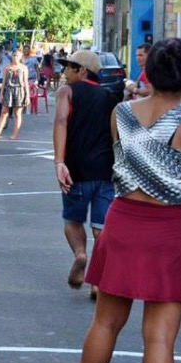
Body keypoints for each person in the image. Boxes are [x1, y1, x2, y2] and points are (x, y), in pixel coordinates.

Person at [76, 38, 181, 363]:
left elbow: (126, 159)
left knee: (104, 324)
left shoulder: (122, 111)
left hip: (123, 220)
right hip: (168, 231)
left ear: (151, 72)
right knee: (159, 339)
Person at [52, 50, 117, 300]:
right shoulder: (112, 97)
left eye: (68, 67)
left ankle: (80, 254)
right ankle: (97, 282)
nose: (64, 72)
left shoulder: (67, 92)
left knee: (72, 221)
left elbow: (60, 122)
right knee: (101, 228)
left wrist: (59, 161)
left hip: (75, 170)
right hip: (105, 170)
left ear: (81, 70)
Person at [0, 49, 29, 140]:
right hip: (9, 90)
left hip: (19, 90)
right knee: (4, 112)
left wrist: (27, 96)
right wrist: (1, 94)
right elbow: (3, 82)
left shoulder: (23, 68)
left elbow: (25, 82)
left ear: (21, 57)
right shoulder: (7, 67)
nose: (15, 57)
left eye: (17, 56)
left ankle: (15, 134)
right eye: (14, 55)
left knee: (17, 113)